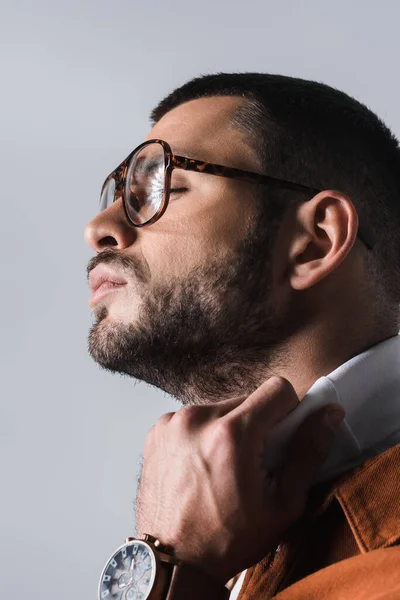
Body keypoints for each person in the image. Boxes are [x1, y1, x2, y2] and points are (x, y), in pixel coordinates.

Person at [84, 73, 400, 599]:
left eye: (162, 185)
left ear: (313, 241)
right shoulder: (222, 534)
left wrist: (171, 569)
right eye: (117, 193)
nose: (99, 226)